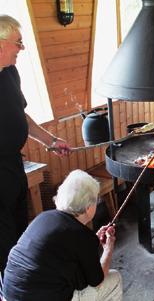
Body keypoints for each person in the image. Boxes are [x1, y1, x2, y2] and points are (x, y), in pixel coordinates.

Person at [0, 15, 70, 274]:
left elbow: (22, 117)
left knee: (18, 231)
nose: (21, 48)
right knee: (3, 242)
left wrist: (50, 140)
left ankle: (17, 283)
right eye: (18, 42)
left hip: (12, 166)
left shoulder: (10, 73)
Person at [3, 169, 122, 301]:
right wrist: (108, 249)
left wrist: (92, 243)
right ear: (88, 207)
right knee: (114, 278)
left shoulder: (43, 217)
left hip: (9, 293)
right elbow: (97, 280)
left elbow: (66, 248)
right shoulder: (82, 235)